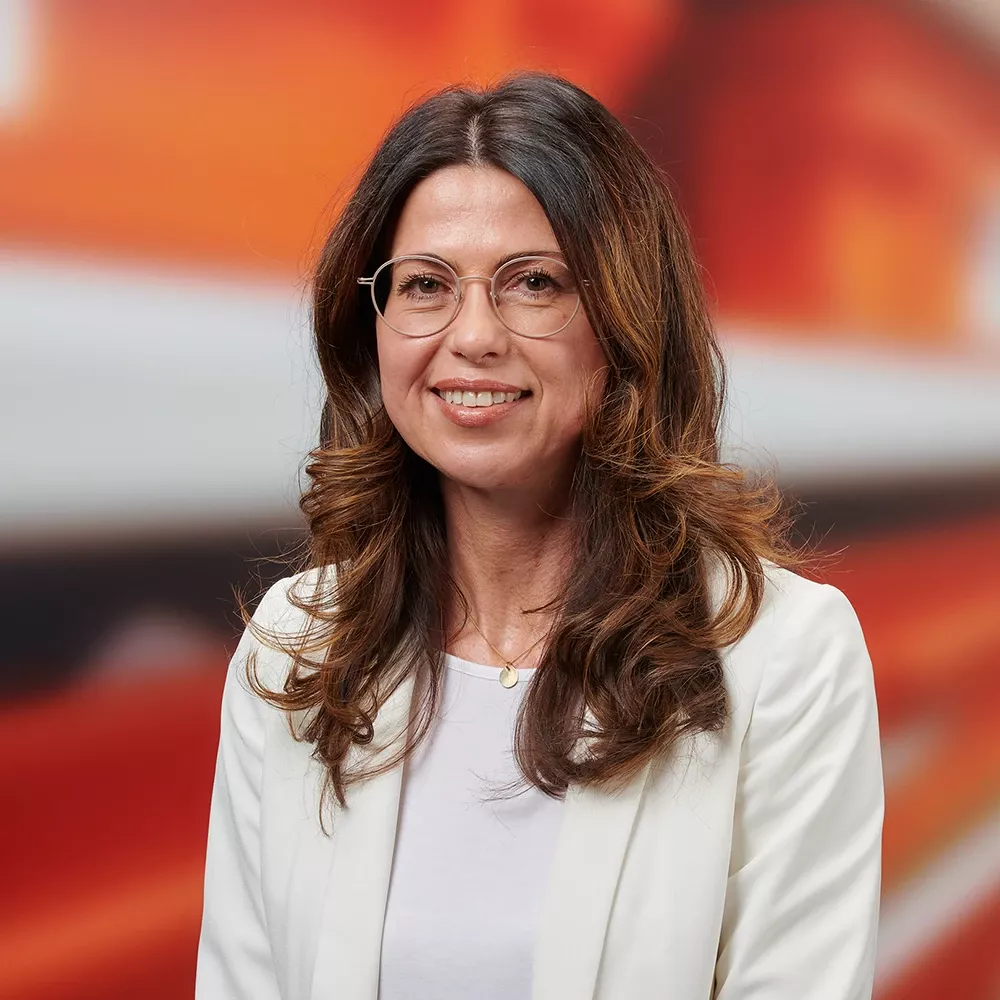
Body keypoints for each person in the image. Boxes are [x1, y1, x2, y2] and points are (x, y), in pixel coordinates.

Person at [195, 72, 883, 1000]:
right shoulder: (295, 647)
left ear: (627, 317)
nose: (474, 336)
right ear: (373, 326)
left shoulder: (784, 656)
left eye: (533, 283)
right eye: (425, 285)